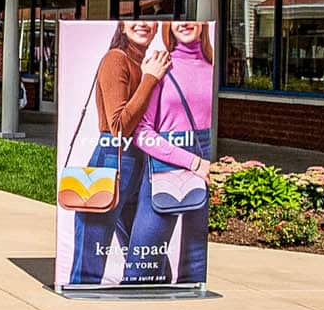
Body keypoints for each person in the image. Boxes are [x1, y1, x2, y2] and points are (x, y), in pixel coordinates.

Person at [68, 21, 164, 287]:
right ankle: (81, 303)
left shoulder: (146, 63)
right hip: (112, 157)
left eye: (150, 20)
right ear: (121, 27)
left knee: (145, 252)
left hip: (141, 162)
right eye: (134, 19)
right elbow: (119, 126)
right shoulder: (115, 59)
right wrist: (150, 79)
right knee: (89, 262)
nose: (143, 24)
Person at [125, 21, 216, 285]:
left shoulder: (213, 71)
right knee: (142, 263)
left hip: (207, 161)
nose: (185, 23)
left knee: (196, 262)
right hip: (166, 164)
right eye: (176, 19)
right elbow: (142, 132)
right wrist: (192, 162)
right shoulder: (162, 67)